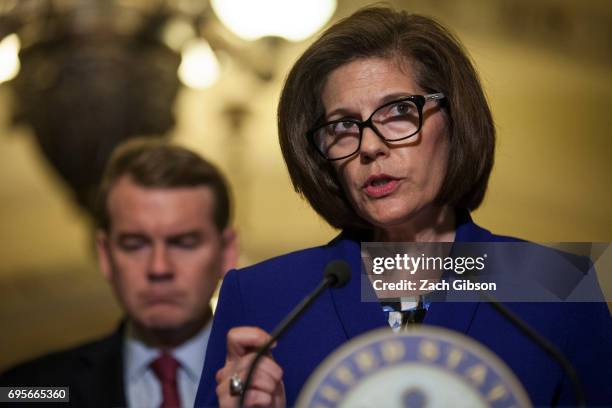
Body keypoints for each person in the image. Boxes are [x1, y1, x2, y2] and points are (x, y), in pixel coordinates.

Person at [194, 6, 612, 408]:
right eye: (342, 126)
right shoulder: (264, 298)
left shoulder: (555, 284)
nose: (371, 146)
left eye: (398, 111)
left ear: (454, 119)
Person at [1, 140, 238, 408]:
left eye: (184, 243)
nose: (159, 268)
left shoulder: (280, 384)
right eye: (134, 245)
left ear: (226, 252)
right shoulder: (27, 391)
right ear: (104, 254)